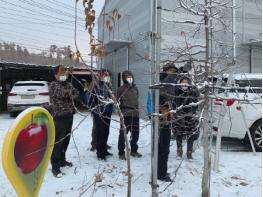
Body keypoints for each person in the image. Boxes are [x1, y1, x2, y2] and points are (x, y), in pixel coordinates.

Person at [49, 64, 79, 177]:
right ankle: (55, 167)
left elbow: (77, 93)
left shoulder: (68, 84)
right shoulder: (53, 85)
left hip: (69, 115)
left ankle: (62, 160)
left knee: (66, 140)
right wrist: (69, 93)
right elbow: (62, 94)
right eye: (61, 73)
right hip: (59, 117)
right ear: (55, 75)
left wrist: (69, 93)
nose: (63, 75)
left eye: (64, 73)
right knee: (58, 142)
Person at [85, 69, 113, 160]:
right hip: (99, 112)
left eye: (107, 74)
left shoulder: (108, 85)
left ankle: (104, 149)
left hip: (107, 112)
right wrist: (95, 109)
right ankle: (100, 153)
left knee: (106, 132)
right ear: (100, 75)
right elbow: (89, 99)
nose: (106, 76)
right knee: (100, 133)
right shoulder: (95, 84)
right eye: (104, 74)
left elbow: (111, 97)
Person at [157, 63, 178, 182]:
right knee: (163, 147)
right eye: (171, 71)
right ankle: (160, 173)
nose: (173, 73)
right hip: (163, 118)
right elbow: (164, 96)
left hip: (168, 117)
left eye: (174, 71)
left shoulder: (170, 83)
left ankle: (161, 170)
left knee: (164, 147)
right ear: (165, 71)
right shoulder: (163, 83)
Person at [117, 70, 142, 160]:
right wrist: (121, 112)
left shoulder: (135, 88)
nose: (129, 78)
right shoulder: (121, 89)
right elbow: (116, 101)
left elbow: (136, 99)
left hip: (135, 114)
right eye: (127, 77)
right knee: (123, 134)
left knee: (135, 134)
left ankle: (134, 151)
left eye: (130, 76)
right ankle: (121, 152)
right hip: (125, 114)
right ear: (124, 78)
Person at [173, 76, 200, 159]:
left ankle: (189, 152)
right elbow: (174, 103)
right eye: (182, 82)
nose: (184, 84)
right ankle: (179, 151)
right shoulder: (176, 91)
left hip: (190, 116)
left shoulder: (193, 92)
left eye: (186, 82)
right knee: (179, 134)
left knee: (191, 134)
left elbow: (196, 104)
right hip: (179, 116)